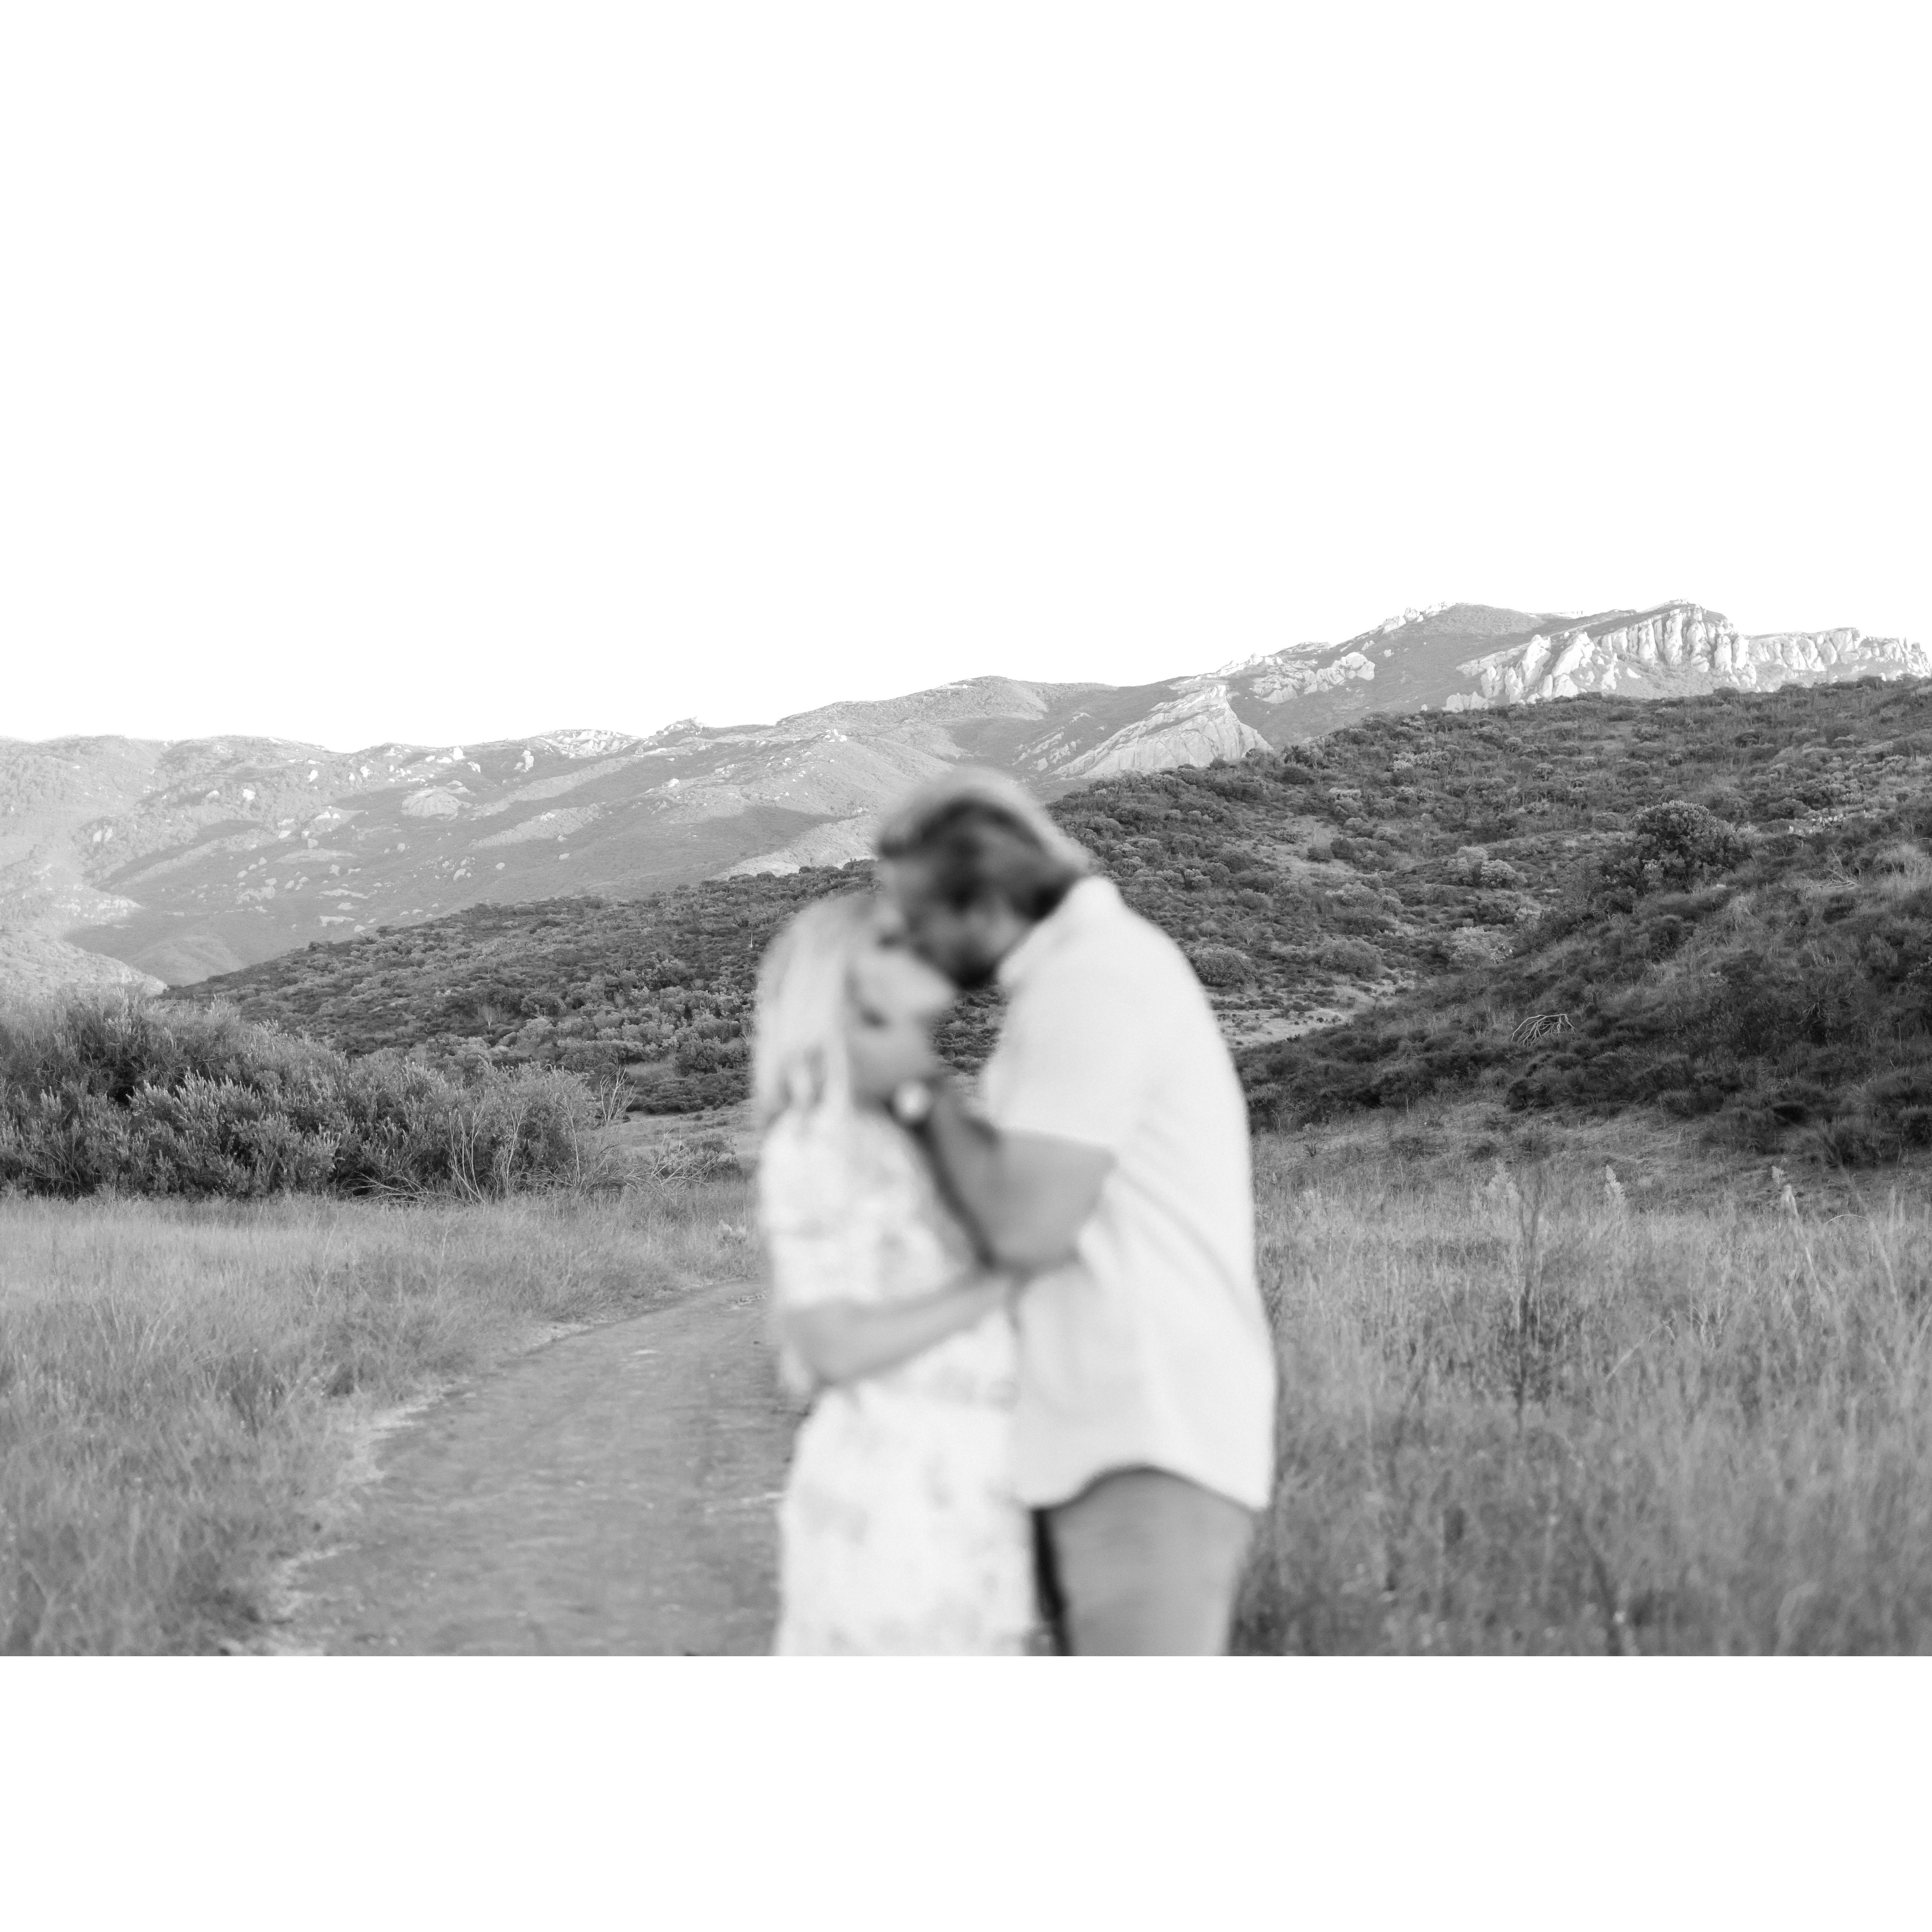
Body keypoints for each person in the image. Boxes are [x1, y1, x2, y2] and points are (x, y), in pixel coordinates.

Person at [873, 769, 1277, 1655]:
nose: (905, 937)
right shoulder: (1078, 977)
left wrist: (912, 1088)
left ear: (983, 899)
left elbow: (1024, 1225)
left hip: (1145, 1432)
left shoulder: (1091, 981)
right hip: (1102, 1431)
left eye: (915, 913)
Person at [752, 891, 1036, 1654]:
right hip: (892, 1507)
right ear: (841, 1006)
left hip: (969, 1492)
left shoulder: (909, 1127)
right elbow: (832, 1344)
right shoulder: (812, 1145)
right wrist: (996, 1287)